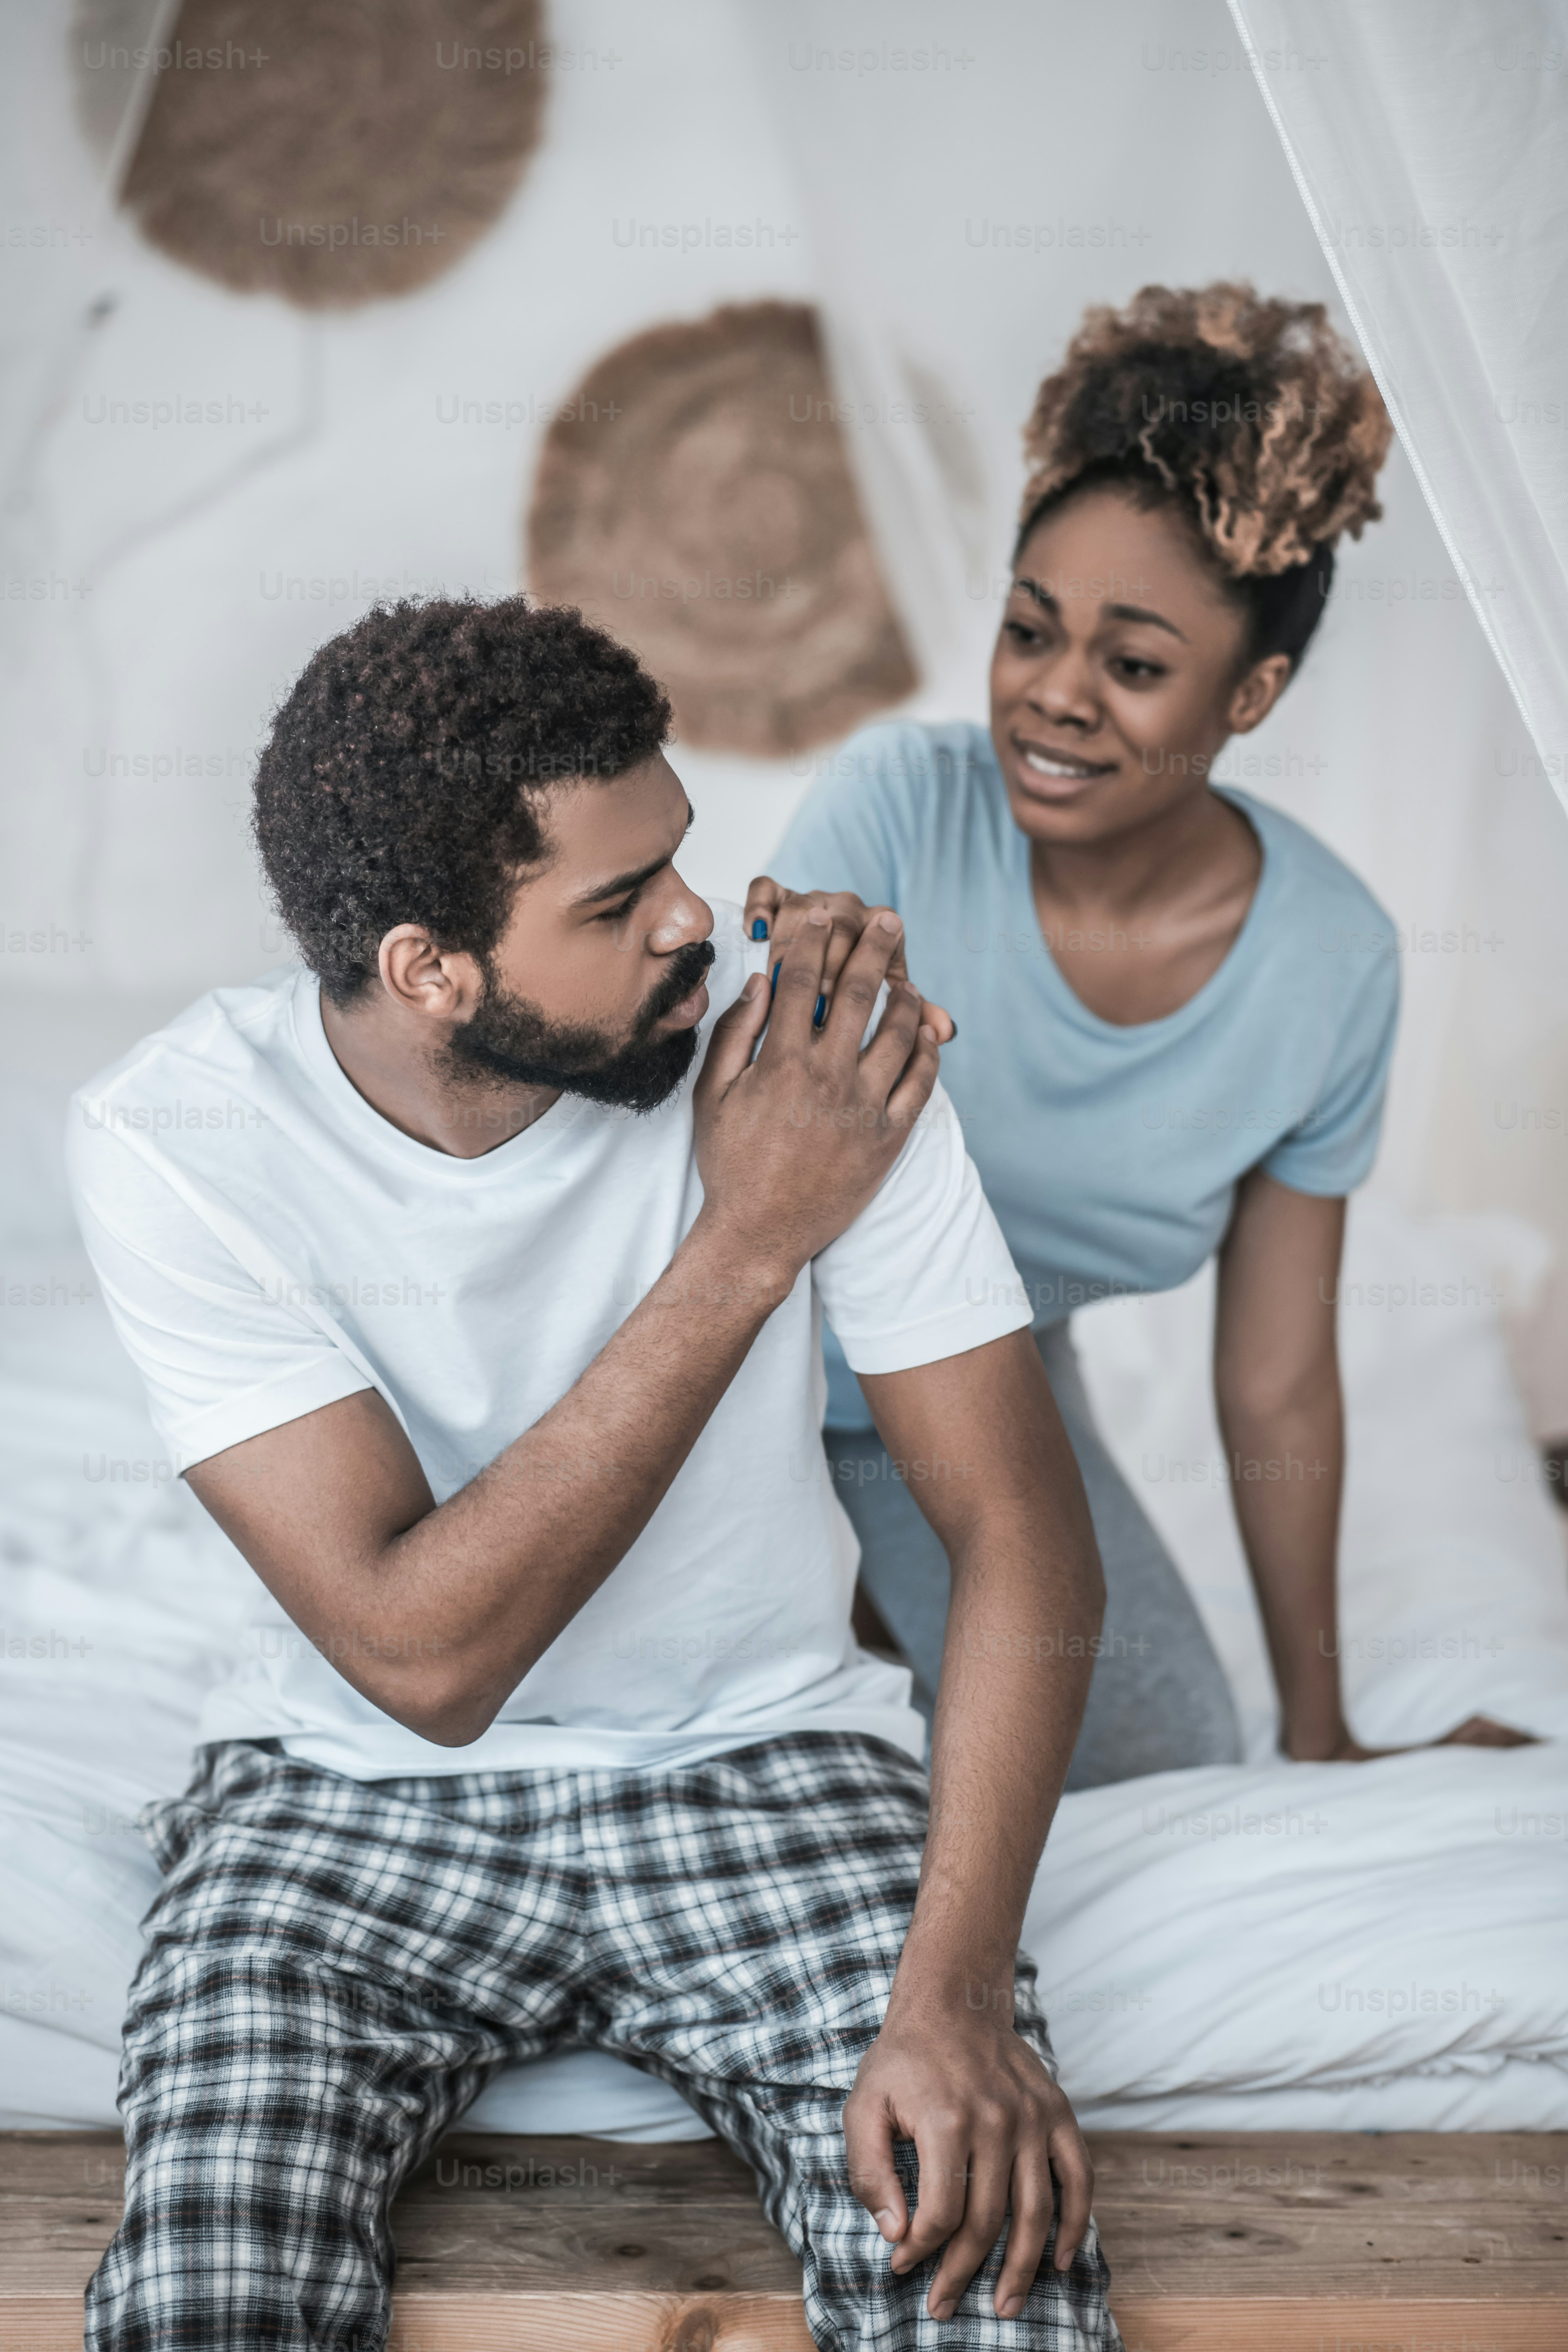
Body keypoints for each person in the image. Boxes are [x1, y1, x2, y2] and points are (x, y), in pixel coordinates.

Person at [67, 596, 1123, 2352]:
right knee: (207, 2303)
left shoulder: (813, 1057)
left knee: (995, 2291)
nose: (694, 922)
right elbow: (425, 1661)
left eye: (678, 860)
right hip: (348, 1796)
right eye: (618, 906)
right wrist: (747, 1238)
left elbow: (1021, 1530)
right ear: (431, 970)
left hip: (769, 1756)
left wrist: (953, 1999)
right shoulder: (176, 1137)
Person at [763, 281, 1532, 1780]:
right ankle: (844, 1627)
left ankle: (886, 1621)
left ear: (1251, 692)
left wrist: (1320, 1734)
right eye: (1029, 630)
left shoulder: (1331, 964)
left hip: (974, 1401)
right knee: (742, 1742)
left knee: (1170, 1760)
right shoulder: (893, 807)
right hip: (737, 1371)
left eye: (1132, 665)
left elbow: (1275, 1380)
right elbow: (754, 1183)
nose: (1053, 699)